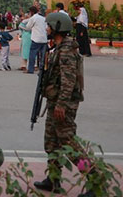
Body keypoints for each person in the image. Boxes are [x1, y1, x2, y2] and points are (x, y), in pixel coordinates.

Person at [35, 11, 84, 193]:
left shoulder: (65, 51)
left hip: (63, 105)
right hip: (55, 103)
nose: (46, 28)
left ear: (57, 27)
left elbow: (68, 81)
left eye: (49, 25)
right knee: (51, 142)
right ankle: (53, 179)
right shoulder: (58, 47)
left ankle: (95, 178)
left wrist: (62, 105)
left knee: (69, 144)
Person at [21, 6, 48, 74]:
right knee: (43, 55)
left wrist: (22, 27)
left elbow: (28, 27)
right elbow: (46, 27)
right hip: (44, 39)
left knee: (32, 55)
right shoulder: (43, 18)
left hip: (36, 39)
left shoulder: (33, 18)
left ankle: (30, 69)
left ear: (32, 12)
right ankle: (42, 69)